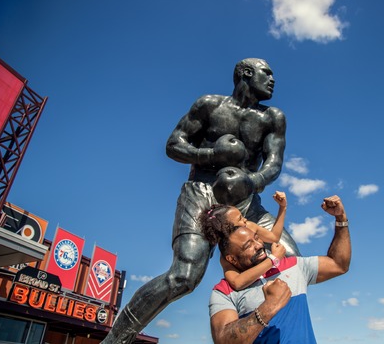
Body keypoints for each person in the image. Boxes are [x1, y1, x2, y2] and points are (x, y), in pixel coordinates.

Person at [102, 58, 300, 343]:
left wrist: (250, 182)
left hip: (245, 200)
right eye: (266, 72)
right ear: (246, 73)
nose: (273, 79)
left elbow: (273, 164)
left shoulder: (273, 118)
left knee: (292, 261)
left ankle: (255, 334)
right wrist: (212, 156)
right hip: (203, 193)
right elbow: (174, 145)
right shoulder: (209, 105)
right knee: (184, 276)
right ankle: (115, 341)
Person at [201, 195, 351, 344]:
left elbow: (338, 264)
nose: (259, 245)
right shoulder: (224, 291)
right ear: (231, 259)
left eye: (257, 238)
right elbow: (223, 340)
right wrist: (269, 306)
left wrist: (340, 219)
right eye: (248, 245)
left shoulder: (293, 265)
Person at [202, 191, 288, 291]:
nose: (245, 219)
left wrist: (283, 207)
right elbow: (237, 283)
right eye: (240, 219)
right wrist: (273, 259)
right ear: (228, 228)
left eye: (242, 216)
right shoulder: (227, 256)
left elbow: (274, 237)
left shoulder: (250, 226)